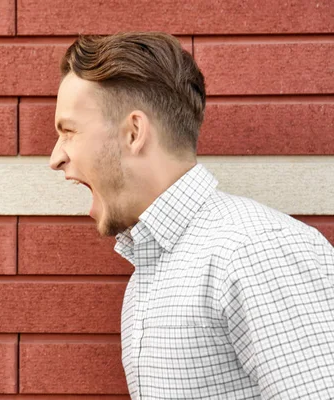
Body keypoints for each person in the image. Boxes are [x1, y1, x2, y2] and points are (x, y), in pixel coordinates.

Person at [49, 32, 334, 399]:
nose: (56, 158)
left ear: (134, 132)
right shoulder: (152, 271)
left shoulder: (255, 251)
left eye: (68, 132)